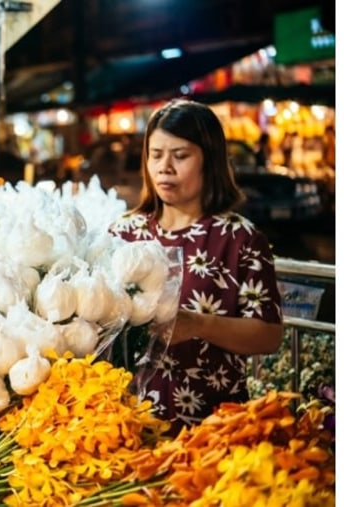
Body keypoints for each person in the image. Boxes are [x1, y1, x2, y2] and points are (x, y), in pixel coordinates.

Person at [109, 99, 283, 435]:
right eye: (156, 154)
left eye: (181, 155)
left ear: (210, 161)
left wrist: (198, 324)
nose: (165, 167)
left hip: (211, 428)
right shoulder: (122, 234)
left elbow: (269, 334)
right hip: (123, 424)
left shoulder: (240, 239)